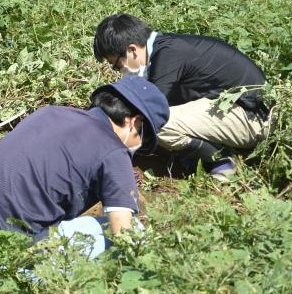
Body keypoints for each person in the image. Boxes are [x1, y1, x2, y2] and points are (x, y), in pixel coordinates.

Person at [0, 76, 170, 258]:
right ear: (135, 122)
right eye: (141, 141)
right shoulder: (114, 152)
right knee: (137, 233)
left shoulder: (49, 113)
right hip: (8, 252)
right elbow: (123, 232)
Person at [93, 13, 272, 178]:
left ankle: (221, 159)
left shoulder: (169, 55)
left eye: (116, 65)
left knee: (156, 123)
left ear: (132, 50)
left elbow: (150, 110)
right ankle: (200, 152)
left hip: (254, 119)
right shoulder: (164, 48)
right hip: (234, 108)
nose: (118, 71)